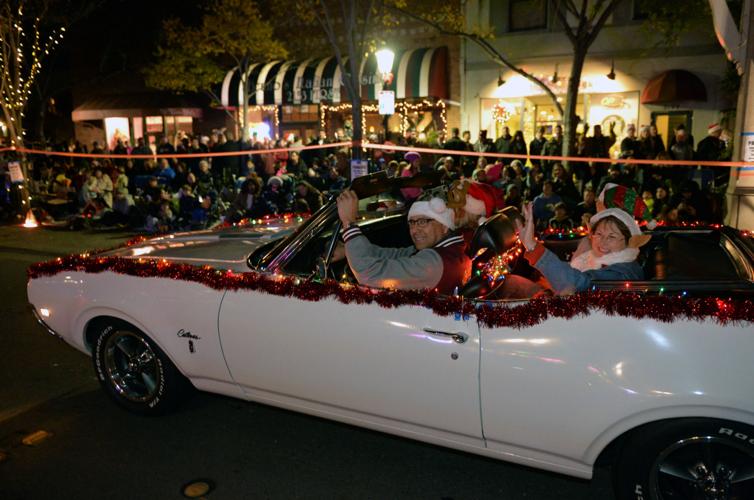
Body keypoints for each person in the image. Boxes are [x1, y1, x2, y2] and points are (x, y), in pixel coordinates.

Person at [335, 189, 471, 294]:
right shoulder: (452, 248)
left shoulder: (433, 263)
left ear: (444, 225)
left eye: (423, 222)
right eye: (412, 223)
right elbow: (393, 255)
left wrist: (348, 223)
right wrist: (348, 249)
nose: (415, 230)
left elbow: (370, 274)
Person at [518, 201, 648, 295]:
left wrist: (533, 247)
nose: (603, 242)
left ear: (627, 241)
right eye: (599, 234)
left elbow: (579, 282)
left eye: (612, 237)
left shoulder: (623, 272)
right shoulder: (592, 258)